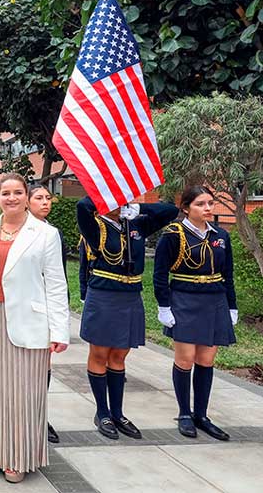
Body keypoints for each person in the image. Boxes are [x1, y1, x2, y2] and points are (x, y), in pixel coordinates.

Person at [0, 173, 69, 483]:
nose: (11, 198)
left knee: (27, 393)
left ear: (27, 196)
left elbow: (55, 284)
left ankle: (19, 456)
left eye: (17, 192)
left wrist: (59, 331)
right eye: (5, 193)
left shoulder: (45, 233)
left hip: (31, 321)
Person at [77, 195, 178, 440]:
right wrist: (106, 192)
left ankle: (118, 412)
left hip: (130, 295)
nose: (119, 203)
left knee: (120, 355)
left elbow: (170, 211)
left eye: (124, 199)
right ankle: (102, 412)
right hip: (103, 294)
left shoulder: (136, 224)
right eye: (116, 199)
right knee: (100, 354)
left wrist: (137, 208)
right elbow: (83, 205)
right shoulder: (95, 226)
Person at [153, 186, 237, 441]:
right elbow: (159, 274)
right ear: (186, 208)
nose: (208, 208)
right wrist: (164, 306)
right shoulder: (173, 235)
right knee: (186, 358)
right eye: (201, 204)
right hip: (185, 299)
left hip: (214, 300)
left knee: (206, 360)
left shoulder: (221, 235)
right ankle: (184, 414)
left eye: (210, 203)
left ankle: (201, 414)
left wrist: (231, 306)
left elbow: (228, 275)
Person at [27, 184, 66, 444]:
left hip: (43, 308)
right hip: (17, 308)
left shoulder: (52, 233)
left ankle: (40, 415)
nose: (45, 202)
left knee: (43, 367)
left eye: (47, 198)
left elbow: (58, 278)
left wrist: (59, 322)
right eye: (38, 198)